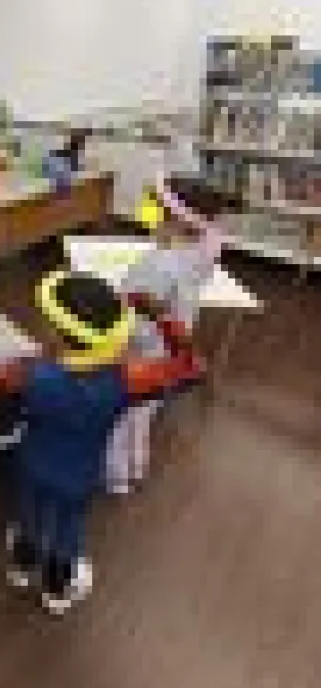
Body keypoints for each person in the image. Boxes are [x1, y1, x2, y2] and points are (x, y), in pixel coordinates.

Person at [0, 269, 204, 617]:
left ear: (58, 330)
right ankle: (56, 592)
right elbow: (191, 368)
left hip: (31, 464)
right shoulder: (126, 380)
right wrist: (161, 315)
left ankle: (21, 568)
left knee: (28, 515)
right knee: (67, 530)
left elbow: (1, 424)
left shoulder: (24, 374)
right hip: (80, 473)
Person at [105, 173, 225, 494]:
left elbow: (134, 311)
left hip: (142, 348)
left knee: (125, 413)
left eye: (156, 208)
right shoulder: (201, 252)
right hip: (168, 347)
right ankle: (135, 467)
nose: (151, 214)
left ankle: (117, 475)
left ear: (175, 218)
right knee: (144, 412)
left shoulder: (160, 264)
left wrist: (116, 335)